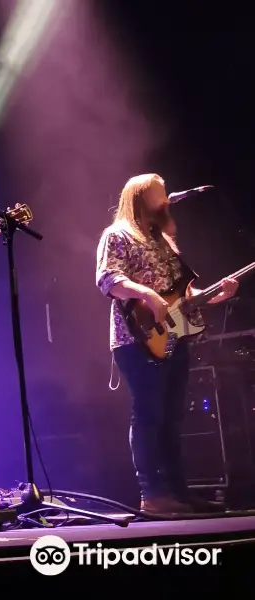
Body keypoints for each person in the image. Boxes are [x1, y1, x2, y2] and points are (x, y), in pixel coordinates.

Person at [95, 173, 237, 514]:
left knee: (172, 416)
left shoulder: (162, 240)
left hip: (174, 335)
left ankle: (179, 492)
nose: (168, 201)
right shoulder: (117, 235)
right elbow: (108, 279)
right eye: (162, 195)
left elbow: (183, 294)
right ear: (142, 199)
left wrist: (215, 295)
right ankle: (152, 494)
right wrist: (145, 293)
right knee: (149, 413)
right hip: (137, 337)